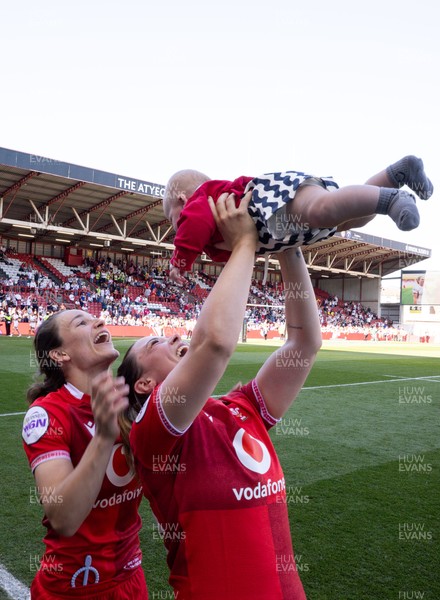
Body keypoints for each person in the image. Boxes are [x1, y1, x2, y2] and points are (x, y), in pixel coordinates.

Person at [118, 193, 319, 599]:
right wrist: (244, 242)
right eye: (155, 341)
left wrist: (287, 247)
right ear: (144, 385)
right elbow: (213, 344)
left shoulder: (241, 408)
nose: (173, 334)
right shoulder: (153, 432)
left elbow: (303, 345)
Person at [22, 310, 148, 599]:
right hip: (72, 588)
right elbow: (64, 519)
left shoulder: (129, 399)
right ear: (59, 354)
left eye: (96, 319)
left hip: (130, 579)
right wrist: (104, 437)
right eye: (82, 323)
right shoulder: (46, 414)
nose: (100, 322)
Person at [163, 155, 433, 283]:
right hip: (281, 227)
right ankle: (395, 175)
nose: (178, 228)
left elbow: (194, 225)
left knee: (322, 209)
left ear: (182, 201)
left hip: (270, 202)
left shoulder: (200, 203)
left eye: (174, 220)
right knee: (351, 219)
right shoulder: (213, 230)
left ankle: (394, 200)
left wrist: (180, 261)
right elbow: (232, 254)